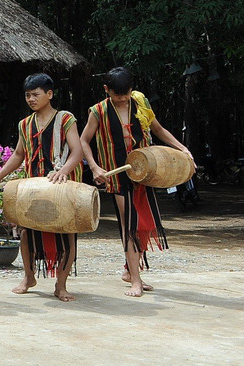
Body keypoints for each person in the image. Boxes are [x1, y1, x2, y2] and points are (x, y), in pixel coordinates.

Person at [79, 67, 195, 298]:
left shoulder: (140, 103)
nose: (122, 99)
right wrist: (94, 167)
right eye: (117, 95)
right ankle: (136, 280)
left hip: (144, 172)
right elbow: (84, 140)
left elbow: (158, 129)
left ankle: (128, 271)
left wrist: (182, 148)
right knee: (130, 226)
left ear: (132, 89)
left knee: (144, 223)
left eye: (126, 94)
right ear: (106, 90)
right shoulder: (98, 111)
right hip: (119, 175)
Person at [0, 73, 86, 301]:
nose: (31, 99)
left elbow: (77, 151)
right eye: (28, 95)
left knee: (66, 234)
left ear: (49, 94)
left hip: (62, 187)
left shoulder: (65, 119)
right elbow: (19, 154)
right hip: (34, 188)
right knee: (27, 233)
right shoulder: (24, 124)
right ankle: (29, 277)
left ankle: (61, 284)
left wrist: (64, 171)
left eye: (35, 94)